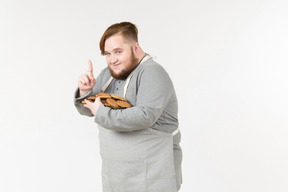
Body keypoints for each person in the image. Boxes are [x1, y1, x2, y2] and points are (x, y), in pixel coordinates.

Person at [74, 22, 182, 192]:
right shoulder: (108, 74)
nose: (112, 59)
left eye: (118, 51)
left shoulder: (152, 73)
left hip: (150, 177)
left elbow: (145, 116)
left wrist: (102, 112)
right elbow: (87, 109)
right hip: (116, 177)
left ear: (136, 48)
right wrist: (85, 90)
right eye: (108, 54)